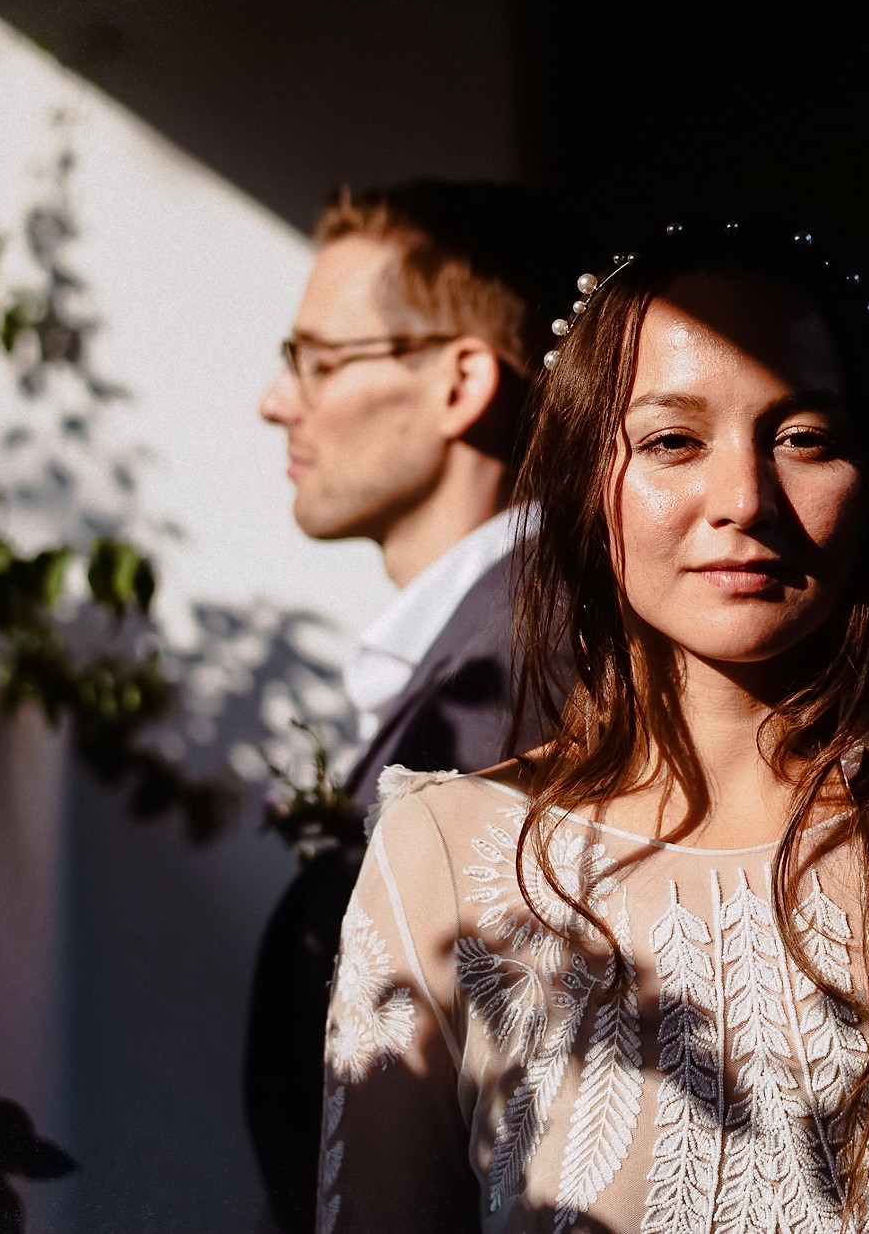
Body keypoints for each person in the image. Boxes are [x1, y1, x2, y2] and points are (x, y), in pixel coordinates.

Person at [315, 226, 869, 1234]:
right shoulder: (449, 849)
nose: (745, 500)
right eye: (673, 441)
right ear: (592, 482)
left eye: (804, 436)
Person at [246, 180, 575, 1234]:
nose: (276, 400)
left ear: (458, 381)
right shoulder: (485, 648)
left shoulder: (524, 676)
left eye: (318, 360)